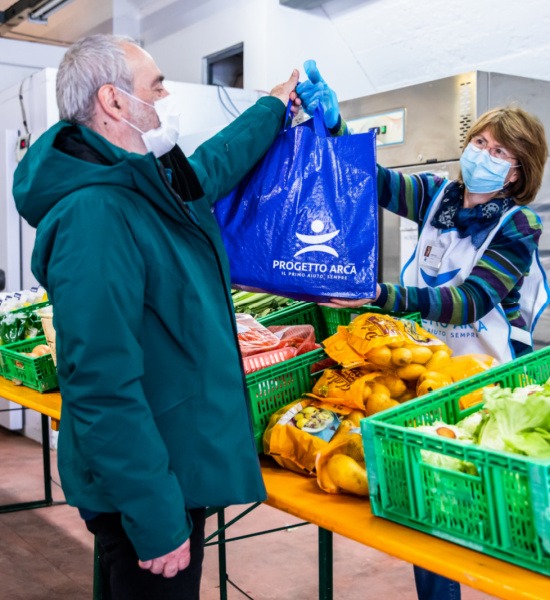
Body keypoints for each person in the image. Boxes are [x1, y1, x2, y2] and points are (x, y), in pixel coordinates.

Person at [13, 33, 299, 600]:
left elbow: (211, 168)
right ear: (115, 102)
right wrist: (156, 519)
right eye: (157, 85)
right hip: (149, 485)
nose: (168, 95)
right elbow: (100, 387)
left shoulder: (144, 181)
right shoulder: (96, 214)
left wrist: (272, 107)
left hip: (173, 462)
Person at [296, 61, 549, 600]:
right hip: (425, 374)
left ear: (516, 171)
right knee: (430, 504)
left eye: (500, 151)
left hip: (487, 383)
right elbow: (374, 183)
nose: (483, 153)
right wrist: (338, 129)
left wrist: (381, 295)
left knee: (484, 511)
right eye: (479, 140)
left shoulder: (519, 225)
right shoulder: (439, 198)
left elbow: (471, 300)